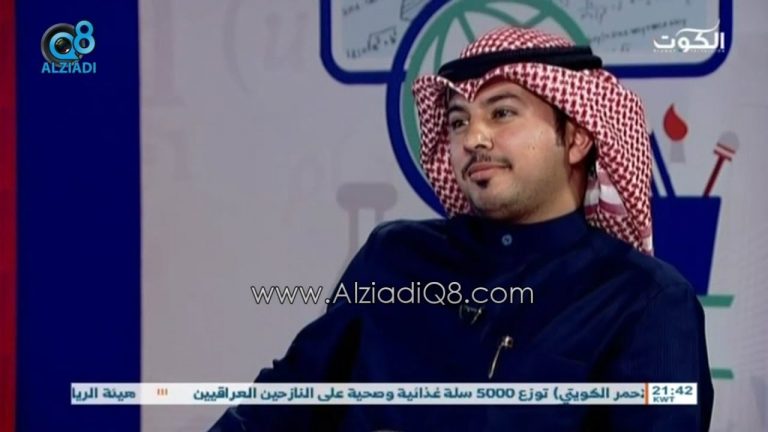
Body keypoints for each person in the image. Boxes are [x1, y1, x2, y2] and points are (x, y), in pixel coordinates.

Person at [210, 26, 714, 431]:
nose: (474, 137)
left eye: (502, 113)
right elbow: (286, 402)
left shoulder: (643, 301)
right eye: (457, 121)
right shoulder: (395, 257)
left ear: (578, 137)